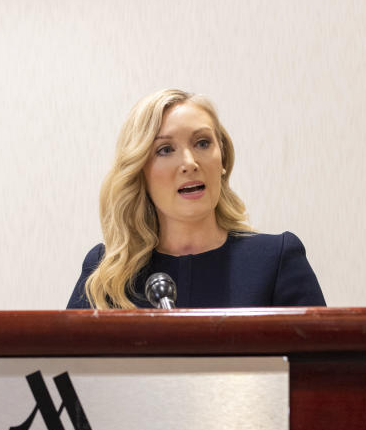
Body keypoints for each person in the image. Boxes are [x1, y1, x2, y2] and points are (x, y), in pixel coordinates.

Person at [67, 88, 325, 309]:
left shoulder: (275, 261)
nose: (189, 163)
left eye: (202, 143)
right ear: (140, 171)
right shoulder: (108, 273)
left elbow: (325, 365)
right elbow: (65, 365)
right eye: (165, 150)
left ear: (222, 157)